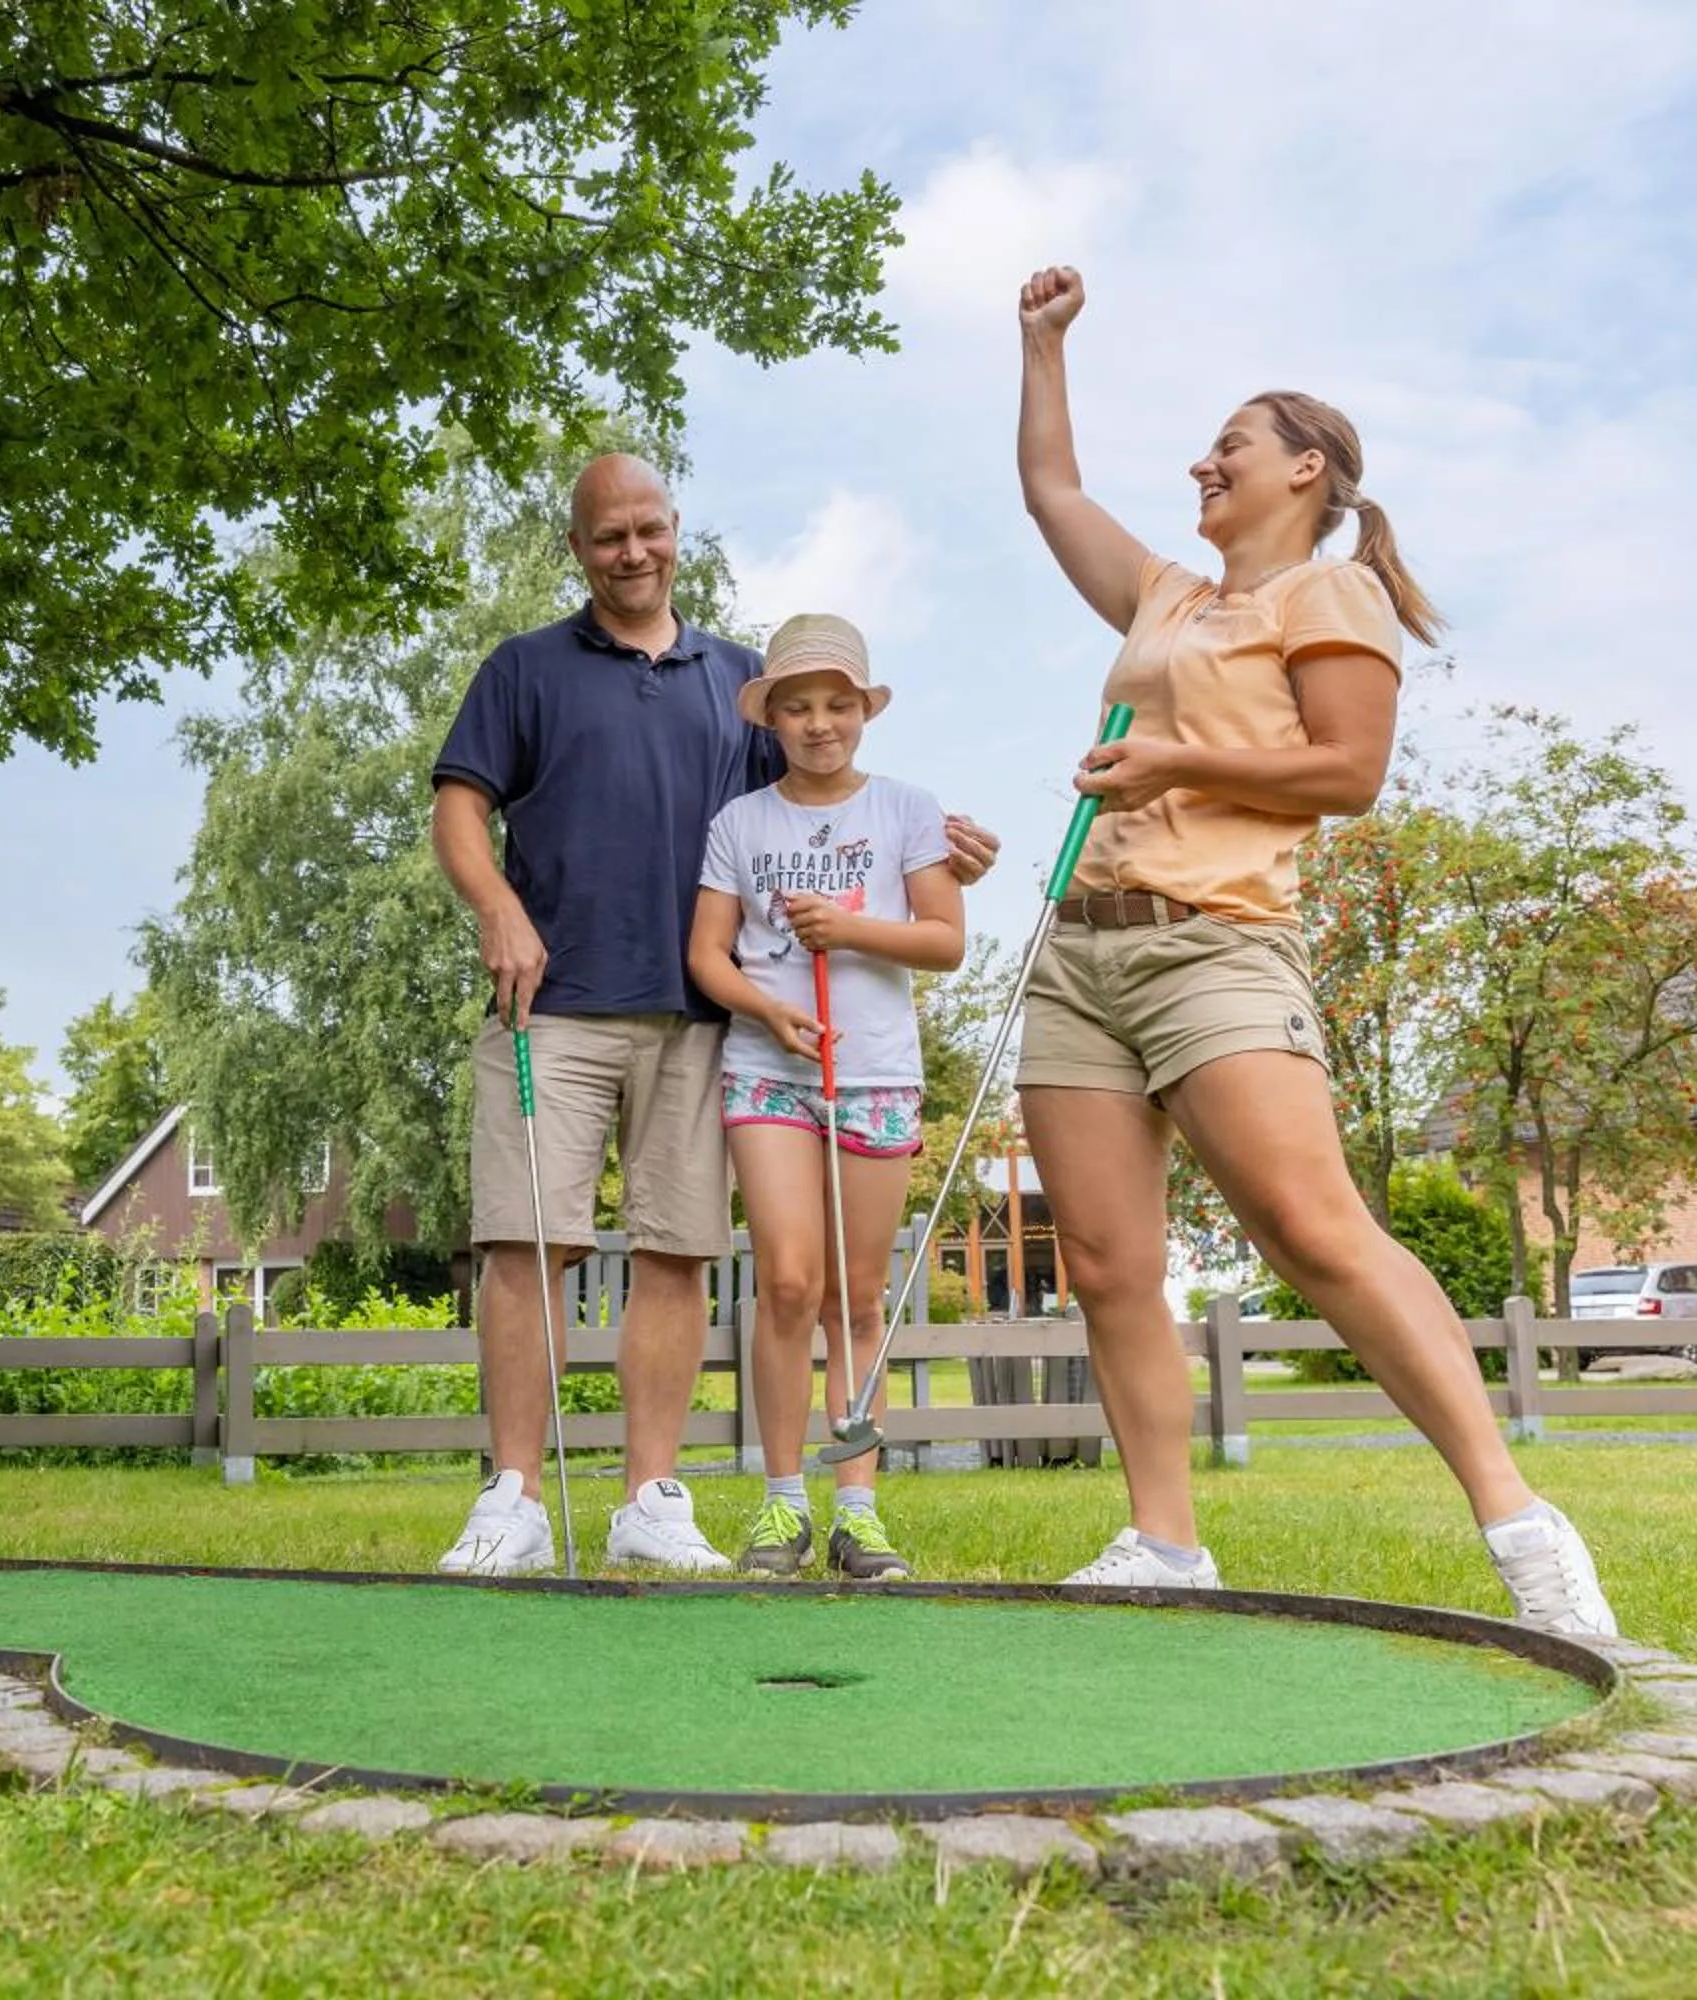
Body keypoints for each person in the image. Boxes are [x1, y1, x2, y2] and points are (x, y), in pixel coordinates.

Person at [1010, 265, 1617, 1636]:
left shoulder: (1331, 593)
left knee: (1311, 1226)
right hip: (1080, 954)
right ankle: (1166, 1541)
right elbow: (1052, 490)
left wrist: (1172, 757)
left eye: (1229, 442)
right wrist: (1043, 346)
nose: (1202, 462)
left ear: (1306, 469)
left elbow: (1349, 772)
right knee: (1104, 1261)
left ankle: (1519, 1521)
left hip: (1216, 947)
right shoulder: (1167, 597)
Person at [429, 455, 995, 1576]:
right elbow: (459, 808)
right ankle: (513, 1498)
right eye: (608, 536)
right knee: (526, 1243)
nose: (632, 551)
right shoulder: (524, 667)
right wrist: (497, 906)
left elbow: (821, 804)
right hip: (553, 1003)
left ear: (675, 529)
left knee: (678, 1253)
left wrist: (940, 855)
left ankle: (651, 1497)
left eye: (649, 528)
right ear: (578, 547)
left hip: (702, 1019)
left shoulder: (743, 679)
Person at [687, 615, 963, 1580]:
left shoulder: (907, 809)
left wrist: (849, 931)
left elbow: (944, 939)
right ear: (771, 718)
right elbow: (706, 954)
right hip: (768, 1068)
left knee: (856, 1295)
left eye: (838, 705)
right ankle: (781, 1504)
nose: (818, 724)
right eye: (798, 707)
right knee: (789, 1283)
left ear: (863, 712)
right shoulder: (741, 822)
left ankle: (858, 1511)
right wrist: (767, 1010)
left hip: (875, 1069)